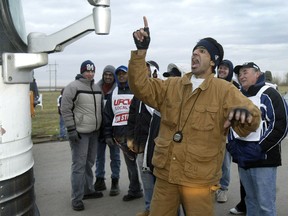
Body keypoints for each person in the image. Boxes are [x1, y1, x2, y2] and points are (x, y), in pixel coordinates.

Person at [128, 16, 261, 216]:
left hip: (198, 181)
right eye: (194, 51)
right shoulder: (173, 85)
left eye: (202, 51)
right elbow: (141, 87)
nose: (195, 54)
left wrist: (246, 115)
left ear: (213, 61)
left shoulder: (224, 90)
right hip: (166, 176)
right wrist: (140, 53)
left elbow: (253, 116)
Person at [227, 62, 288, 216]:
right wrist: (232, 146)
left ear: (258, 74)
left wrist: (260, 148)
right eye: (239, 73)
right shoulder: (238, 96)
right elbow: (229, 123)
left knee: (265, 206)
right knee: (250, 202)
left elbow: (281, 124)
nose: (241, 76)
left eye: (245, 72)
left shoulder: (269, 93)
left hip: (264, 159)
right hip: (243, 159)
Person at [61, 60, 103, 211]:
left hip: (94, 132)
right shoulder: (73, 87)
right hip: (80, 133)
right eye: (87, 71)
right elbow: (65, 109)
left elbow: (100, 109)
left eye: (92, 71)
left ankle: (88, 190)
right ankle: (76, 198)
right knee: (79, 165)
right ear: (82, 71)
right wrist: (71, 129)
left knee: (89, 163)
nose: (90, 74)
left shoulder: (97, 88)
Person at [103, 65, 143, 202]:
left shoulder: (136, 91)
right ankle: (135, 189)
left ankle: (150, 190)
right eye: (119, 74)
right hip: (121, 135)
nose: (121, 76)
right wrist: (108, 135)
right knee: (131, 164)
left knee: (144, 164)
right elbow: (107, 115)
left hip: (137, 134)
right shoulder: (113, 94)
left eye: (124, 74)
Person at [126, 61, 158, 216]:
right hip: (141, 146)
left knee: (159, 182)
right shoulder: (137, 95)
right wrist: (130, 138)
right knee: (146, 180)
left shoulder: (157, 91)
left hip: (156, 146)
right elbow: (132, 118)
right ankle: (148, 208)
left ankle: (161, 210)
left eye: (145, 69)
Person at [94, 65, 121, 196]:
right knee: (99, 157)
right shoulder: (96, 89)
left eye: (111, 75)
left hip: (114, 130)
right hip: (99, 129)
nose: (108, 77)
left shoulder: (118, 90)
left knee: (115, 157)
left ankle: (115, 181)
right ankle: (99, 179)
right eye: (106, 74)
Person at [215, 59, 240, 203]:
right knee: (211, 161)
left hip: (227, 133)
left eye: (225, 69)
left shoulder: (235, 87)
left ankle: (223, 189)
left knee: (225, 163)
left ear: (229, 71)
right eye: (220, 68)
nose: (222, 71)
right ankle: (212, 186)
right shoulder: (213, 84)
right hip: (212, 131)